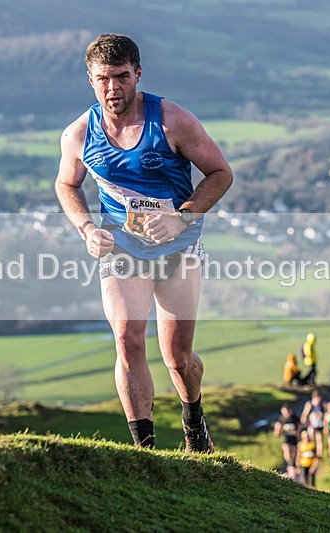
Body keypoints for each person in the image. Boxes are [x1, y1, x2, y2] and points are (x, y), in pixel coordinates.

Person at [54, 34, 233, 452]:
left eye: (121, 77)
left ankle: (194, 423)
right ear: (90, 80)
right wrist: (86, 229)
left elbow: (221, 174)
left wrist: (182, 218)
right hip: (121, 248)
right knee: (127, 340)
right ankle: (145, 450)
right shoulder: (78, 134)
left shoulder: (173, 121)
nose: (112, 89)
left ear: (137, 74)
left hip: (178, 248)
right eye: (102, 79)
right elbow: (67, 183)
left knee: (177, 358)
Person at [300, 390, 326, 459]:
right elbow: (304, 415)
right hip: (312, 425)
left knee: (320, 440)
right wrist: (304, 422)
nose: (319, 400)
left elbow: (326, 415)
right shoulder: (309, 405)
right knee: (312, 439)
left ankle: (319, 455)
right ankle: (312, 452)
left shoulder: (322, 405)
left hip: (320, 425)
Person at [273, 404, 301, 469]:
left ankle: (294, 464)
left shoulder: (295, 418)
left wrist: (297, 432)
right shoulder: (281, 419)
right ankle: (290, 463)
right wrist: (277, 431)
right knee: (286, 448)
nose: (286, 414)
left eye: (286, 412)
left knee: (294, 451)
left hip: (294, 438)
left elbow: (299, 426)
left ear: (290, 411)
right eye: (284, 413)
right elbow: (277, 428)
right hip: (287, 438)